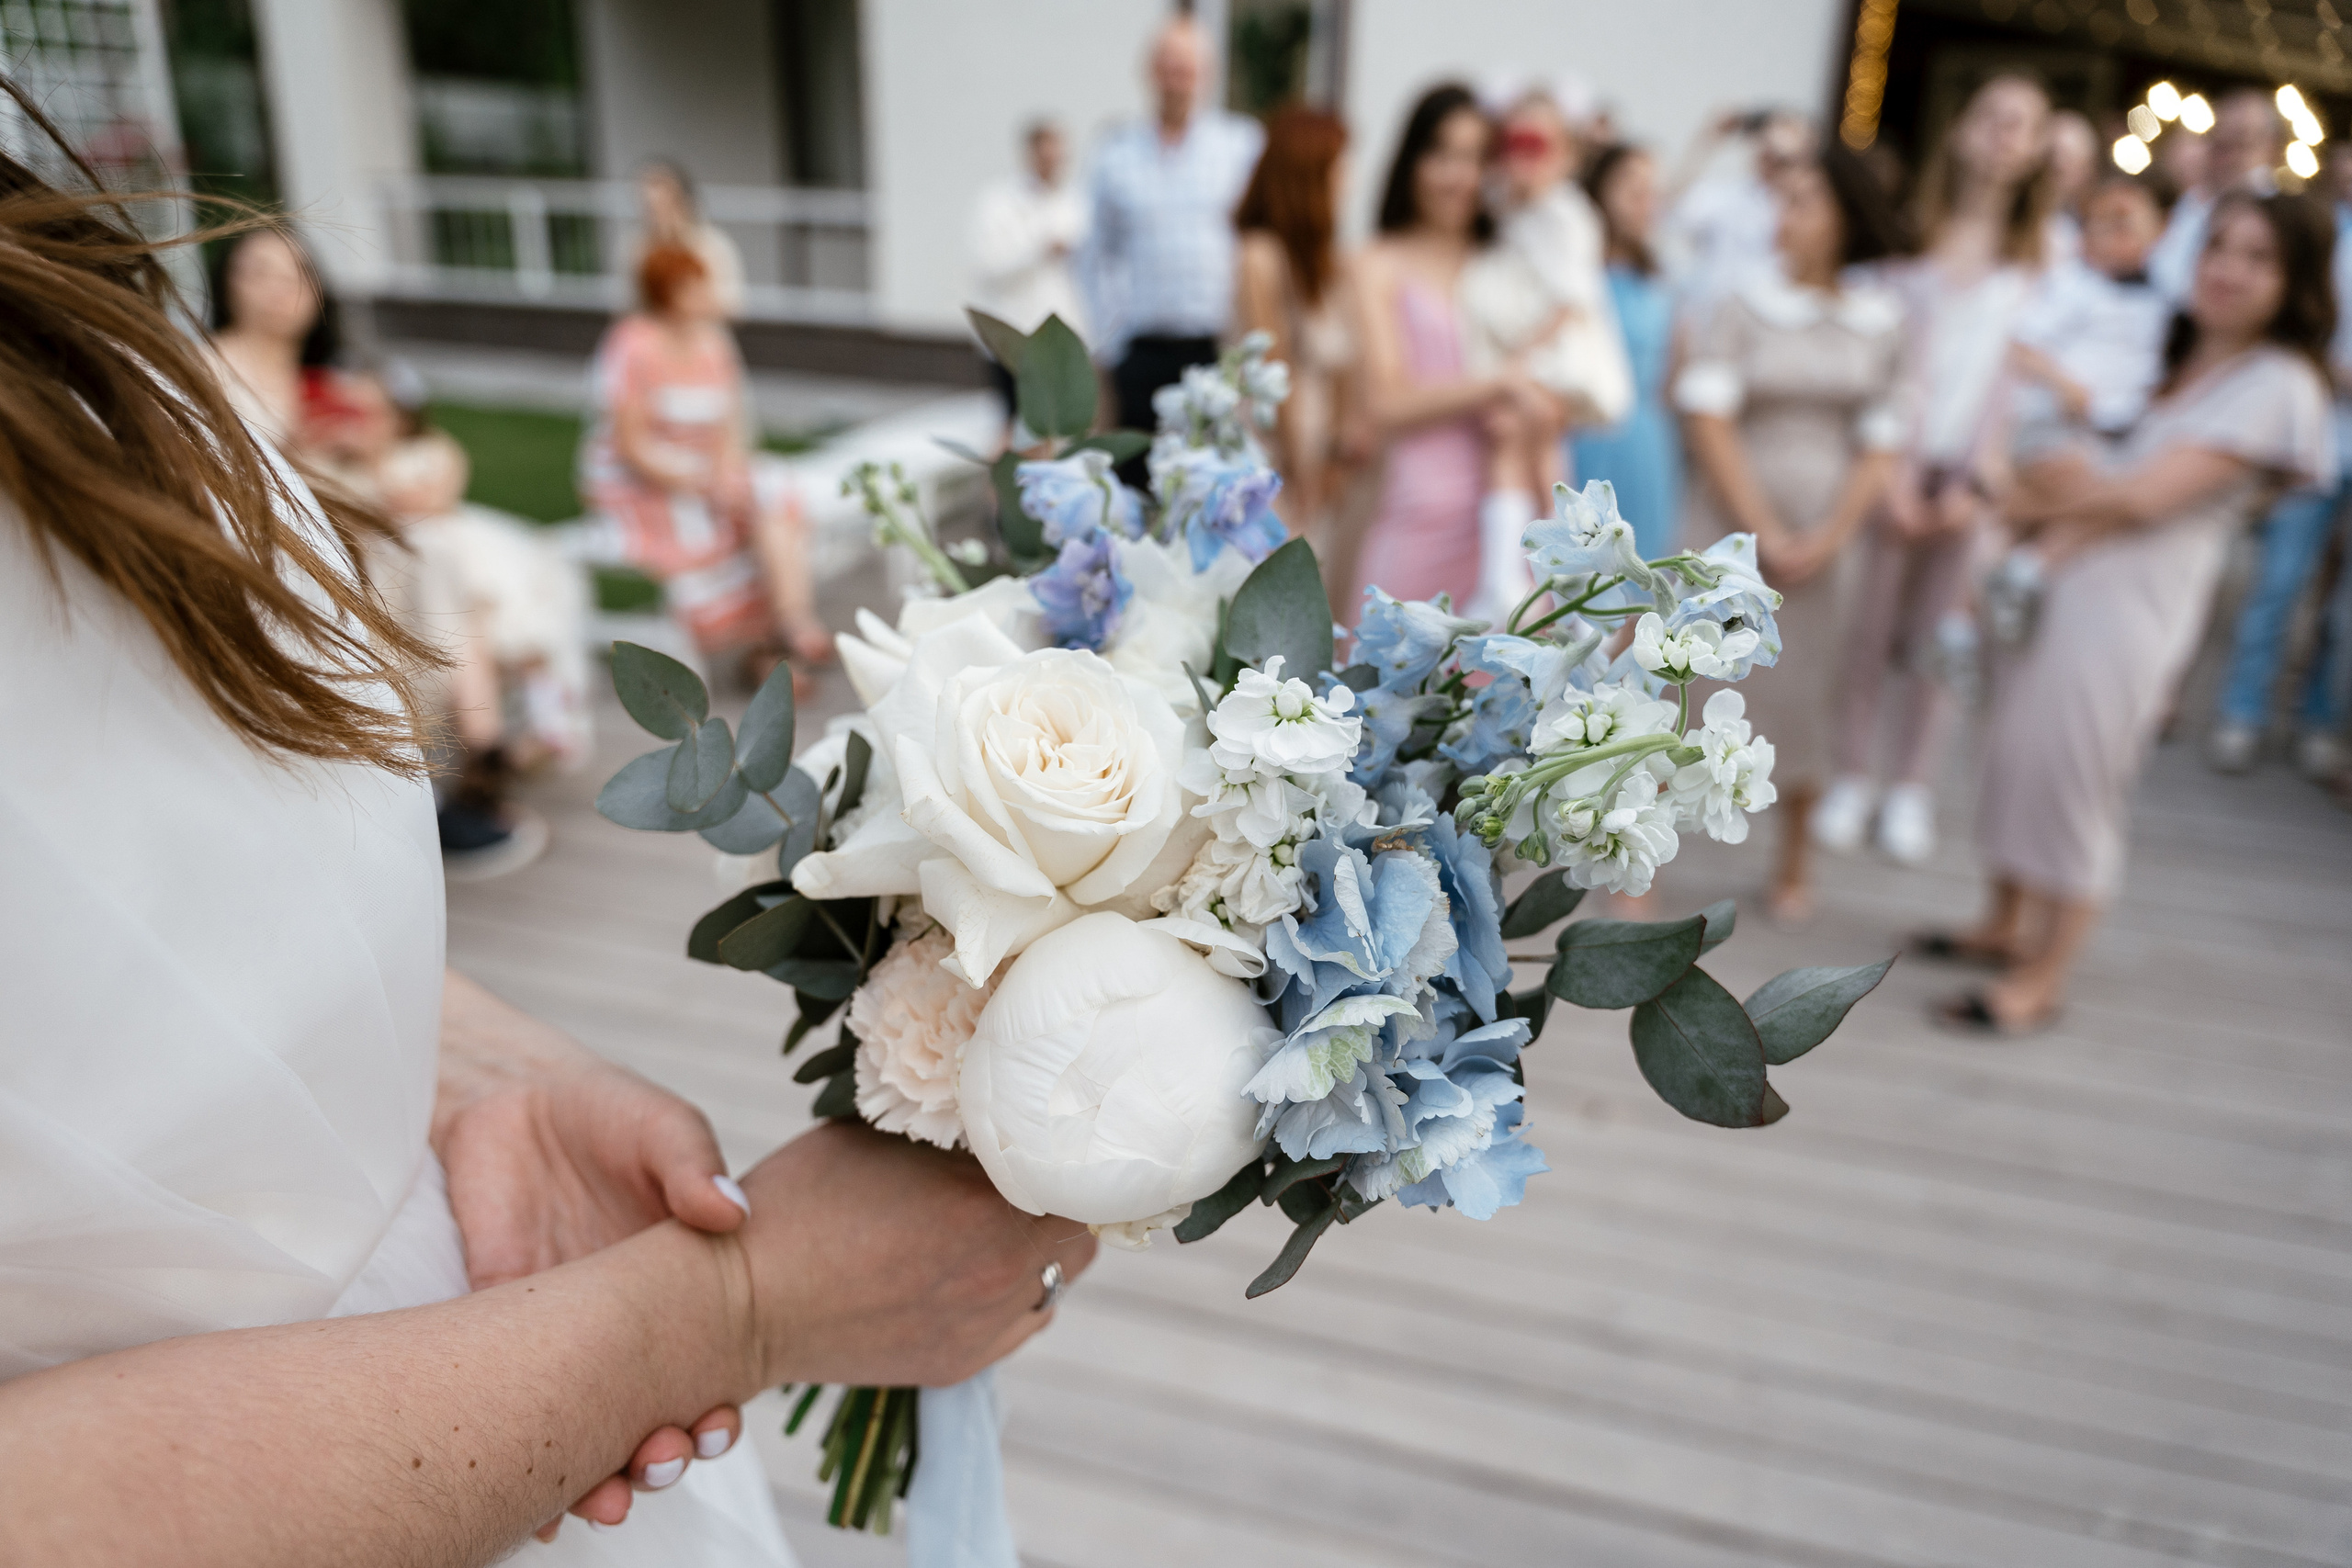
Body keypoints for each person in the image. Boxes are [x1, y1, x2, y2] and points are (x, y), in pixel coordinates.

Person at [0, 121, 1096, 1566]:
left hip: (498, 1330)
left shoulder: (51, 266)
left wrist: (483, 1085)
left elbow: (117, 930)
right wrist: (732, 1311)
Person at [1926, 191, 2335, 1032]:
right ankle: (2004, 921)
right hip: (2062, 581)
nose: (2228, 268)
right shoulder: (2175, 357)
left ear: (2293, 279)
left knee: (2076, 773)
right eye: (2221, 246)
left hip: (2132, 605)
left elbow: (2146, 500)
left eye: (2258, 257)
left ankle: (2044, 974)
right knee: (2014, 753)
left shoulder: (2280, 382)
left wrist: (2037, 500)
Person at [1817, 73, 2053, 868]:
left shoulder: (2042, 264)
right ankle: (1851, 769)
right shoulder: (1908, 241)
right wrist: (1891, 467)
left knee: (1940, 637)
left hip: (1974, 477)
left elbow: (2025, 390)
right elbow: (1882, 361)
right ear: (1959, 130)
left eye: (2021, 123)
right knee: (1865, 625)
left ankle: (1910, 785)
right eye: (1990, 115)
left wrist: (1981, 482)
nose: (2002, 135)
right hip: (1892, 462)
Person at [1676, 141, 1910, 925]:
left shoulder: (1881, 320)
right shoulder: (1745, 301)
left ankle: (1793, 861)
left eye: (1804, 201)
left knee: (1808, 689)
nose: (1785, 216)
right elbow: (1708, 414)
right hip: (1729, 526)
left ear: (1845, 215)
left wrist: (1832, 533)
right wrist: (1763, 527)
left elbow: (1883, 438)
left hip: (1829, 542)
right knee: (1687, 683)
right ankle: (1637, 861)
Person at [581, 243, 832, 686]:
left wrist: (723, 472)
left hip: (703, 469)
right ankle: (771, 654)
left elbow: (730, 426)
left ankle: (786, 630)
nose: (707, 294)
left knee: (774, 495)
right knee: (713, 529)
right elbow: (630, 442)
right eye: (694, 286)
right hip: (641, 481)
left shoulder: (713, 343)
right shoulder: (632, 344)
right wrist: (696, 479)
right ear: (667, 293)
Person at [1347, 84, 1539, 615]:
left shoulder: (1508, 260)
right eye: (1443, 155)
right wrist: (1499, 383)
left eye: (1476, 158)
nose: (1459, 177)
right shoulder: (1376, 263)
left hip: (1506, 523)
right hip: (1419, 517)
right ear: (1412, 160)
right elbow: (1385, 402)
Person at [2208, 129, 2352, 778]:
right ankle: (2244, 710)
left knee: (2344, 606)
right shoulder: (2319, 231)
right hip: (2317, 427)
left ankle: (2321, 719)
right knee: (2281, 578)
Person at [1457, 85, 1629, 620]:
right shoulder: (1518, 211)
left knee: (1532, 448)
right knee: (1524, 448)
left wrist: (1518, 362)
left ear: (1569, 154)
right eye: (1513, 144)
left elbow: (1569, 300)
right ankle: (1529, 582)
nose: (1523, 159)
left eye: (1539, 145)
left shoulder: (1565, 214)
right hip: (1531, 352)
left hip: (1554, 353)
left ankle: (1541, 580)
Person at [1081, 15, 1264, 433]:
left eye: (1186, 68)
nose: (1176, 79)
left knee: (1211, 480)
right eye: (1167, 67)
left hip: (1216, 349)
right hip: (1140, 350)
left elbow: (1257, 246)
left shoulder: (1241, 145)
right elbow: (1095, 255)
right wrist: (1108, 344)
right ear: (1149, 71)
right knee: (1138, 479)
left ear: (1206, 74)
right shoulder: (1116, 153)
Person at [1234, 106, 1361, 543]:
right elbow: (1274, 365)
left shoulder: (1327, 265)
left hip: (1319, 457)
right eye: (1340, 168)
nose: (1349, 180)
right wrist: (1301, 473)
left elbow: (1345, 369)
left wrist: (1334, 459)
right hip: (1274, 460)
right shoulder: (1260, 257)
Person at [1571, 141, 1682, 564]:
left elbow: (1669, 373)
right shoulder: (1578, 274)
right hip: (1582, 436)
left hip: (1646, 441)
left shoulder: (1658, 281)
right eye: (1631, 187)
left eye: (1653, 191)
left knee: (1640, 573)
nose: (1644, 200)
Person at [2008, 175, 2170, 456]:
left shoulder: (2163, 298)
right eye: (2105, 224)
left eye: (2126, 223)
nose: (2117, 233)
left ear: (2159, 229)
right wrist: (2065, 385)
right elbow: (2021, 345)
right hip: (2057, 425)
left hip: (2124, 433)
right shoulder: (2075, 284)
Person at [969, 118, 1089, 432]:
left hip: (1063, 339)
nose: (1051, 163)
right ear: (1030, 154)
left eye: (1057, 156)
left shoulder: (1077, 201)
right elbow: (988, 266)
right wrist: (1040, 250)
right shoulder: (999, 202)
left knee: (1059, 428)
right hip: (1014, 335)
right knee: (1015, 427)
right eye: (1044, 155)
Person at [203, 225, 352, 450]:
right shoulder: (202, 368)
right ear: (227, 283)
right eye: (261, 272)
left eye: (299, 273)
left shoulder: (326, 384)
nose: (282, 288)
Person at [1662, 108, 1817, 322]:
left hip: (1772, 325)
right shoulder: (1729, 198)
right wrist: (1709, 140)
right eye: (1768, 150)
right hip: (1712, 320)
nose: (1773, 159)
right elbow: (1671, 208)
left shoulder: (1810, 213)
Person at [2147, 89, 2283, 304]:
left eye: (2241, 140)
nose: (2227, 153)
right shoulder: (2192, 200)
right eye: (2219, 140)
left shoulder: (2278, 215)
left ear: (2270, 145)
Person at [637, 159, 747, 320]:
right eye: (650, 209)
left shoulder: (712, 245)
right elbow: (633, 305)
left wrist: (690, 303)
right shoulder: (639, 248)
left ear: (685, 202)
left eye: (666, 205)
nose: (659, 216)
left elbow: (733, 304)